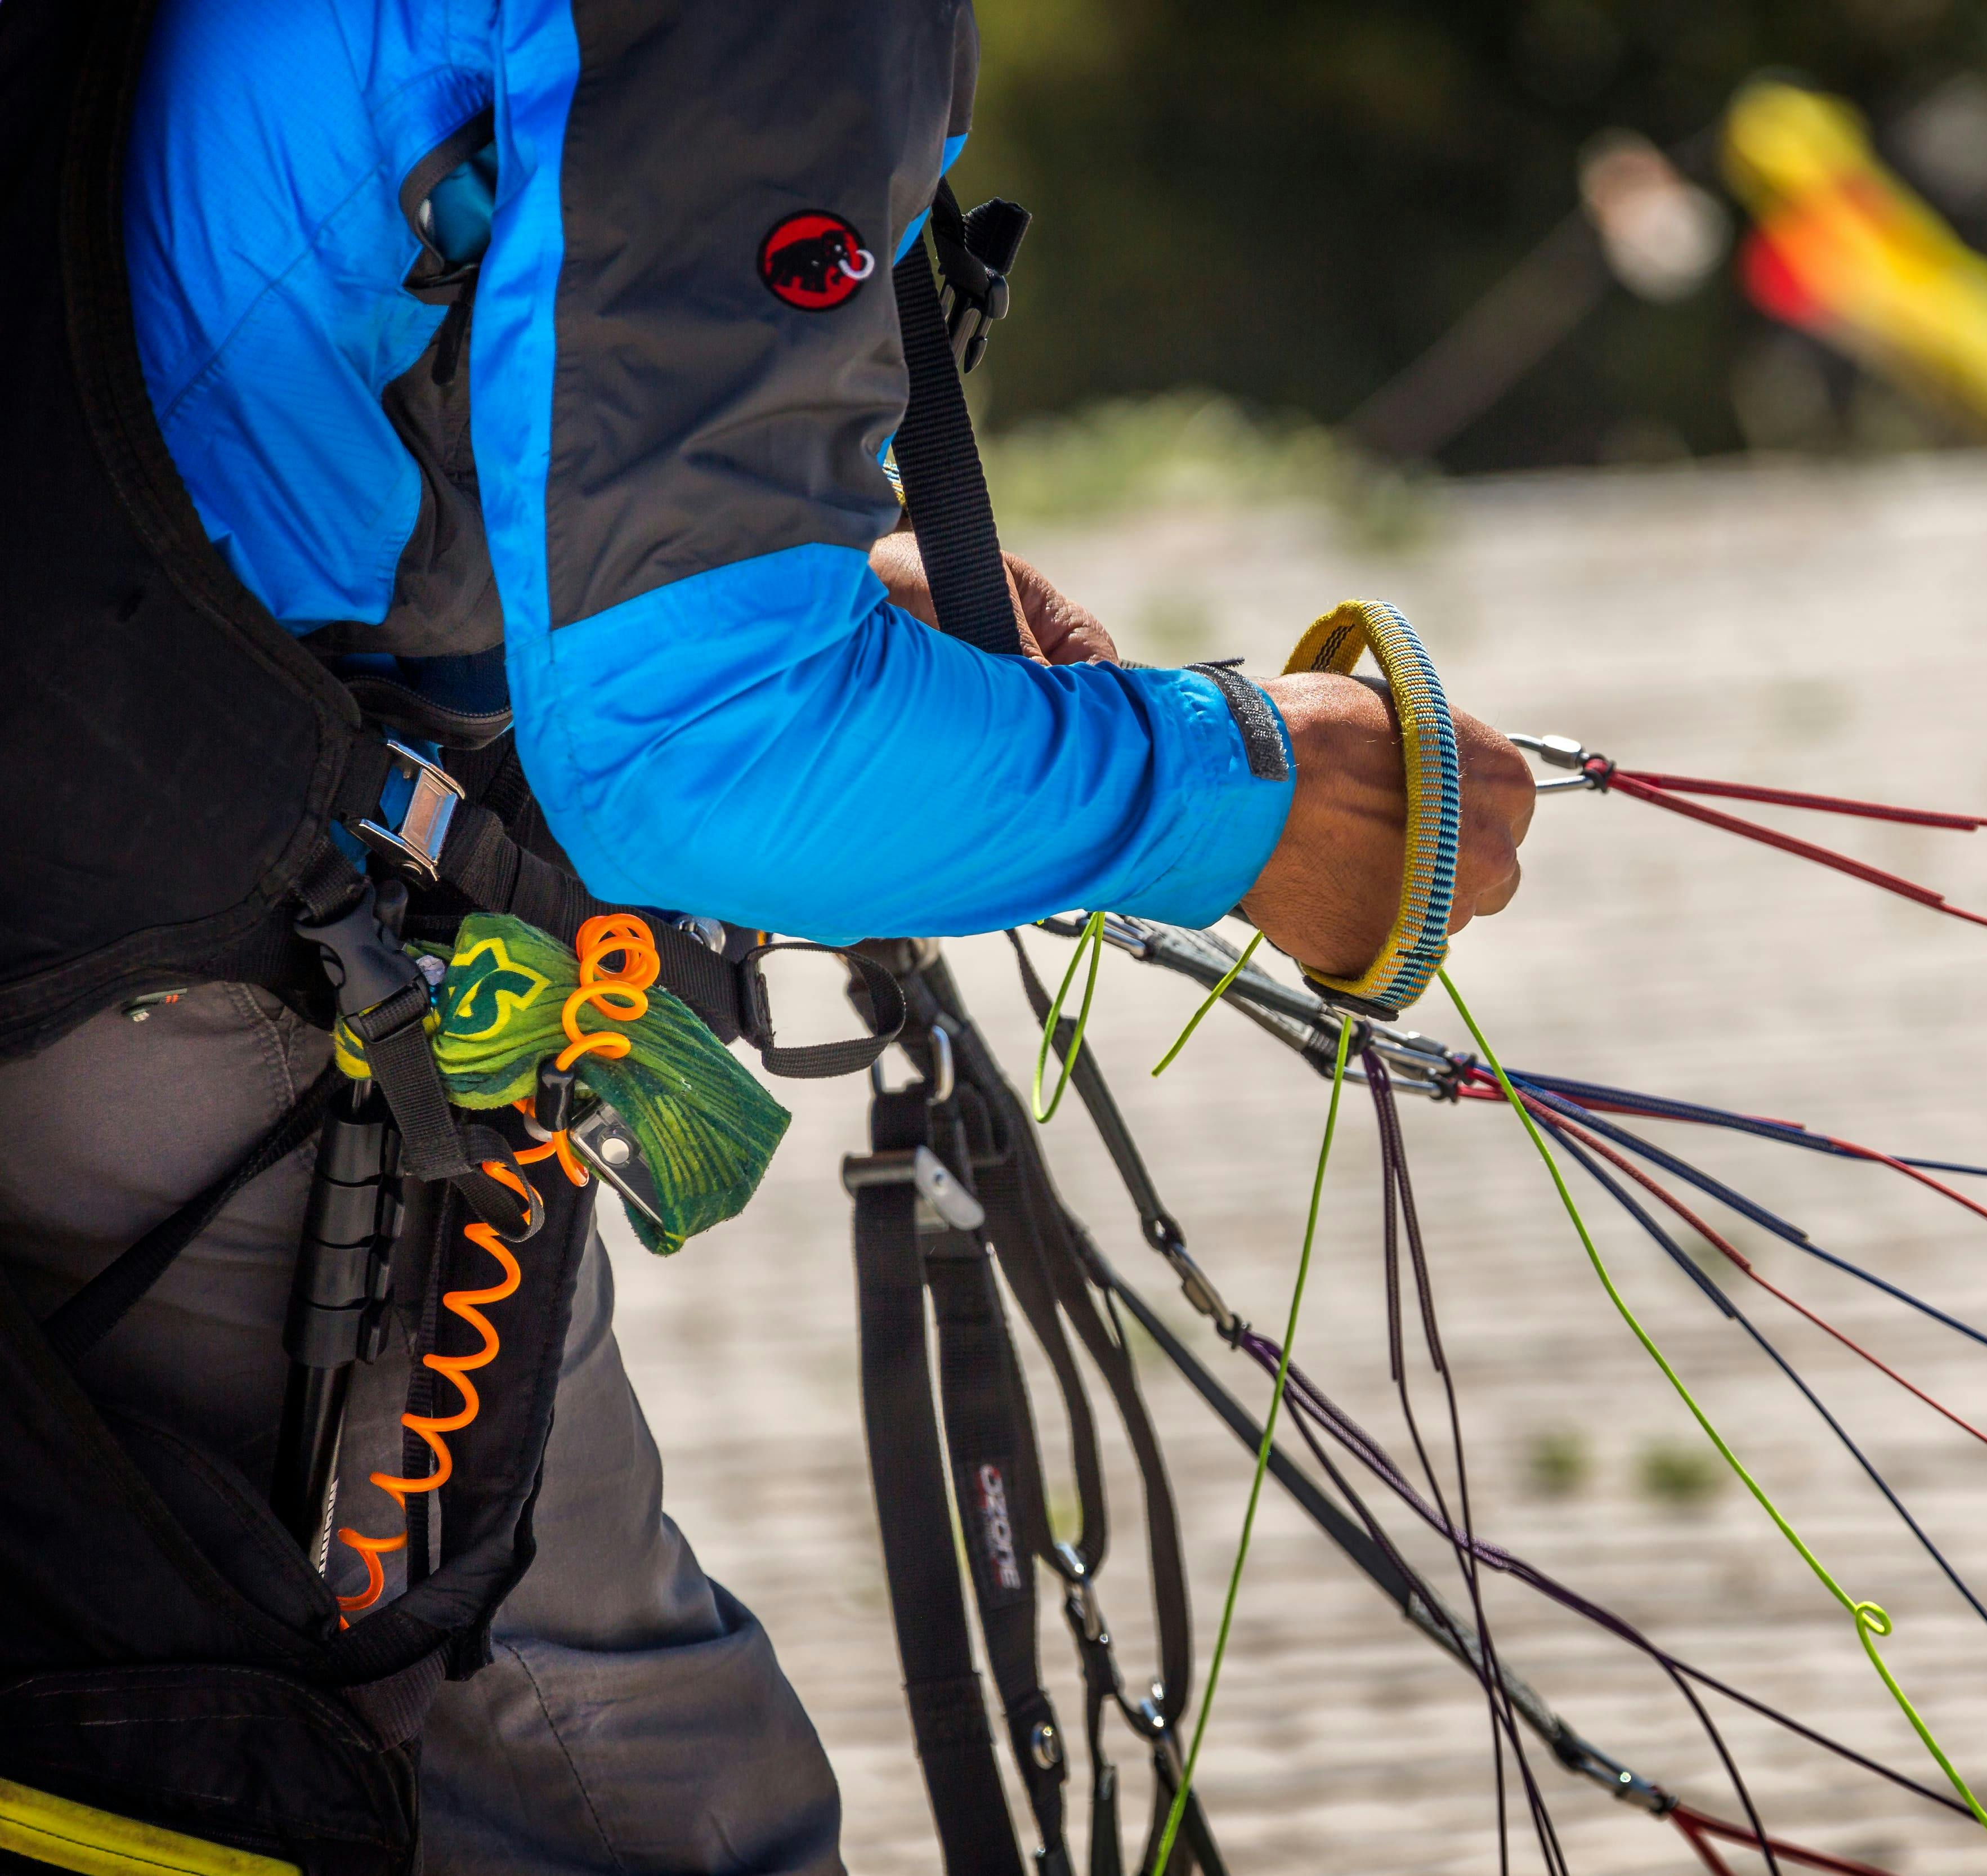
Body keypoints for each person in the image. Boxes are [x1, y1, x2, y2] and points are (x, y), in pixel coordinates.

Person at [0, 2, 1533, 1871]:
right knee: (636, 1794)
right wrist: (1258, 800)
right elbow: (699, 751)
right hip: (152, 956)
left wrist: (783, 585)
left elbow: (300, 340)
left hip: (105, 823)